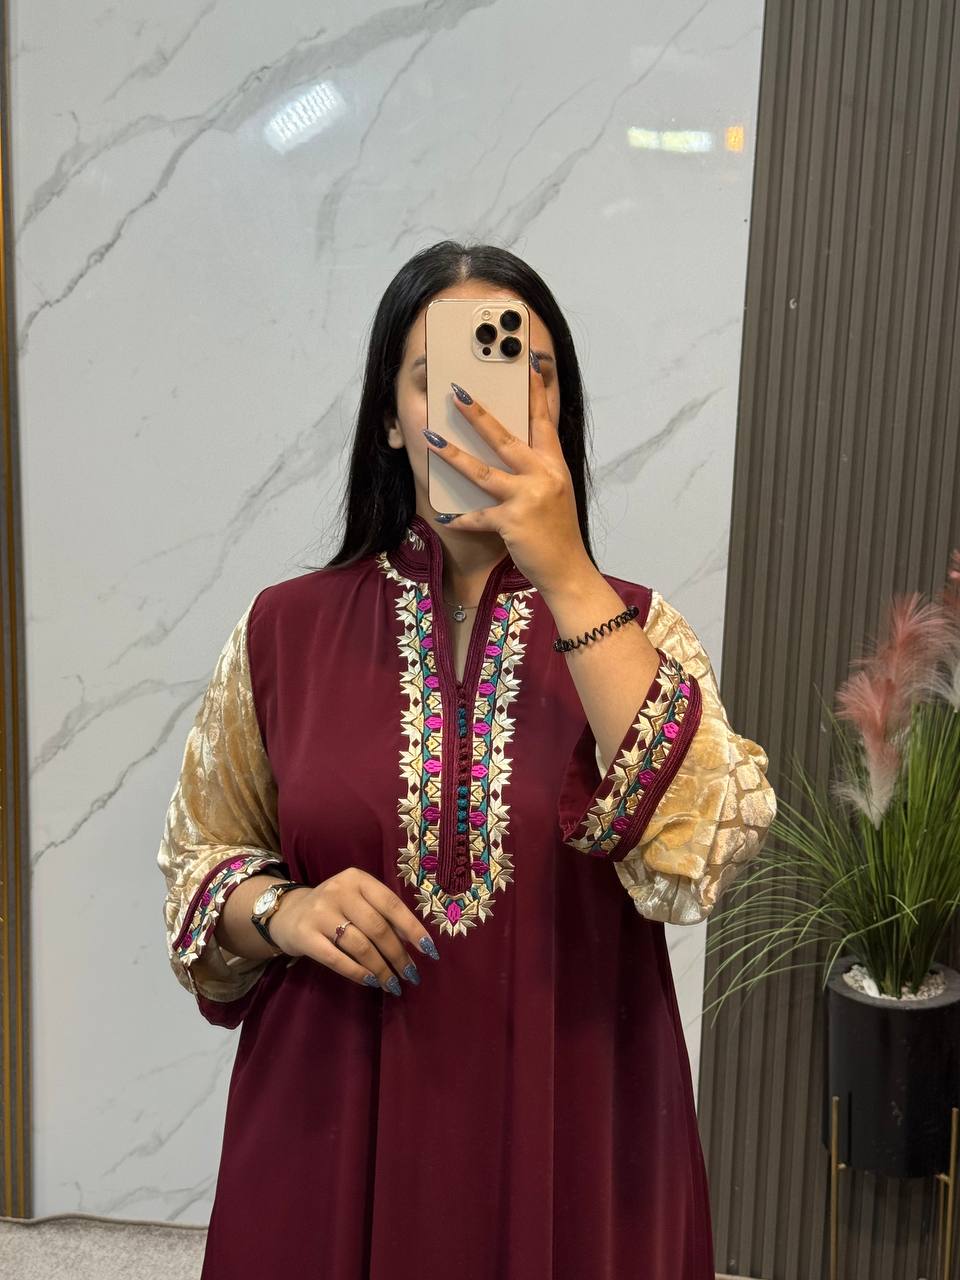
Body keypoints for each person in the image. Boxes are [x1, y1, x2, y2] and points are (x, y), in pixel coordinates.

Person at [157, 240, 777, 1279]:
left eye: (533, 372)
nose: (492, 402)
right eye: (437, 375)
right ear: (392, 419)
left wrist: (566, 571)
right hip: (328, 1121)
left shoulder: (634, 629)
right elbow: (198, 861)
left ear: (561, 411)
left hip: (573, 1120)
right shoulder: (282, 632)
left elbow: (703, 853)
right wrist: (283, 911)